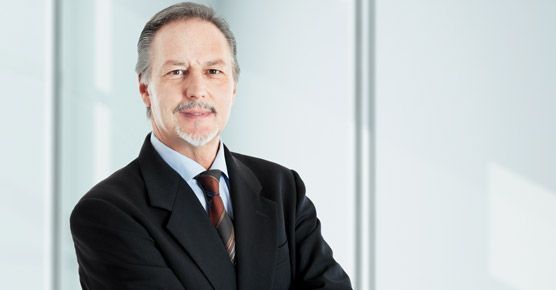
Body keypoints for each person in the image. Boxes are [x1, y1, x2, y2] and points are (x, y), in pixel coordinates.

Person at [69, 2, 352, 289]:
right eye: (177, 71)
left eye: (214, 71)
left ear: (233, 86)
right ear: (145, 89)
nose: (196, 89)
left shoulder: (282, 188)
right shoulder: (106, 213)